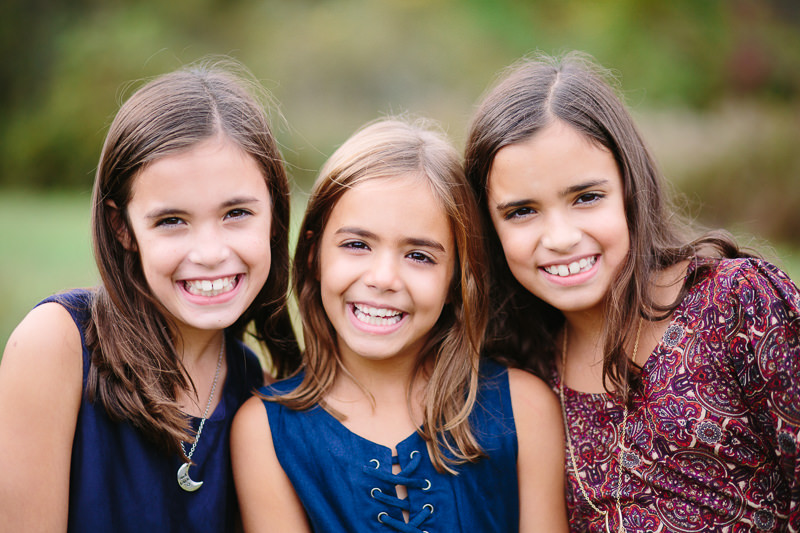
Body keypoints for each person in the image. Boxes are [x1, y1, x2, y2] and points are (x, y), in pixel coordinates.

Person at [463, 51, 800, 532]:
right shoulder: (522, 365)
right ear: (487, 228)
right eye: (521, 211)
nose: (560, 237)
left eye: (586, 198)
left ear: (630, 187)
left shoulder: (737, 303)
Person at [0, 59, 301, 532]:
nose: (209, 252)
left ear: (274, 214)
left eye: (237, 213)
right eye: (172, 221)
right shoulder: (57, 344)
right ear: (123, 228)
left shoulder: (252, 387)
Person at [231, 118, 568, 532]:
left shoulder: (524, 409)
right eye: (357, 245)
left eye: (420, 256)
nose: (384, 278)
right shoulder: (264, 431)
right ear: (314, 254)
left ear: (456, 281)